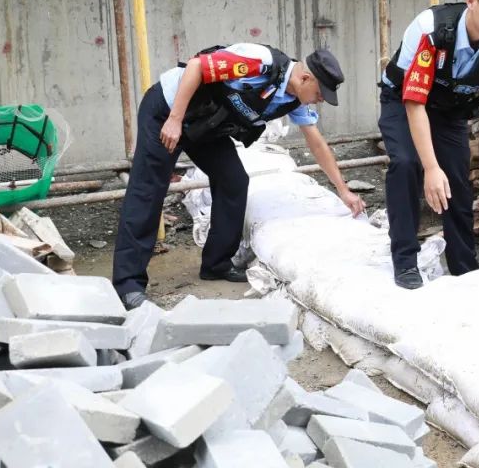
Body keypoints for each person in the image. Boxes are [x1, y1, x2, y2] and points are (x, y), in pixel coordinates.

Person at [113, 43, 366, 309]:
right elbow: (197, 66)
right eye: (319, 93)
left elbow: (316, 143)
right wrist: (174, 120)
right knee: (148, 190)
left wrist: (342, 189)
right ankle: (128, 284)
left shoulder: (293, 98)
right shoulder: (260, 61)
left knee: (233, 181)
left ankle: (216, 264)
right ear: (305, 78)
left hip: (206, 125)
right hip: (168, 110)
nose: (320, 100)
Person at [379, 0, 479, 289]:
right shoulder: (432, 30)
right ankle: (405, 260)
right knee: (407, 164)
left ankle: (463, 268)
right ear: (472, 0)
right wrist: (430, 167)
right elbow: (414, 102)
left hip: (449, 110)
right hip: (404, 101)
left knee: (457, 179)